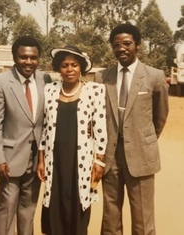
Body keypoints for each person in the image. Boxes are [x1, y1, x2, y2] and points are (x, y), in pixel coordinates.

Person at [94, 24, 169, 235]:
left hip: (141, 156)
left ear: (137, 45)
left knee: (143, 220)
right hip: (110, 157)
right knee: (110, 218)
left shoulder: (154, 76)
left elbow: (159, 117)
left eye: (127, 43)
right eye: (116, 45)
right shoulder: (102, 77)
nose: (121, 49)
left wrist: (143, 141)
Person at [37, 45, 107, 235]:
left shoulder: (94, 91)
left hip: (81, 161)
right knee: (55, 201)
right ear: (58, 68)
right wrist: (41, 159)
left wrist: (99, 161)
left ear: (81, 67)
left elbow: (100, 128)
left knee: (78, 202)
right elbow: (44, 128)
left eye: (74, 65)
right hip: (55, 160)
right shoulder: (50, 90)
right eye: (64, 65)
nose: (69, 70)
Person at [0, 36, 51, 235]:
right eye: (23, 57)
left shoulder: (45, 79)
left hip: (37, 159)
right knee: (6, 208)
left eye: (33, 57)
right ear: (15, 58)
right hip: (10, 159)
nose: (29, 62)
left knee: (28, 210)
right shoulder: (1, 82)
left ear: (39, 58)